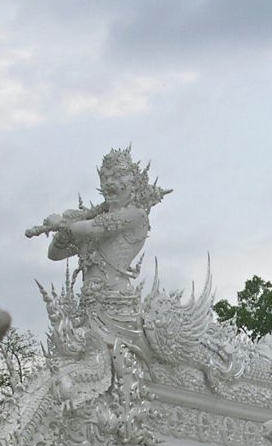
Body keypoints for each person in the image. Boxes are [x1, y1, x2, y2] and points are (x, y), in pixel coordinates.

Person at [27, 147, 169, 342]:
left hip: (118, 306)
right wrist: (63, 230)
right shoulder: (90, 223)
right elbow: (55, 254)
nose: (111, 182)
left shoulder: (136, 215)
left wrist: (64, 223)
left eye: (118, 176)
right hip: (88, 306)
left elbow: (92, 228)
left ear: (134, 183)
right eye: (106, 177)